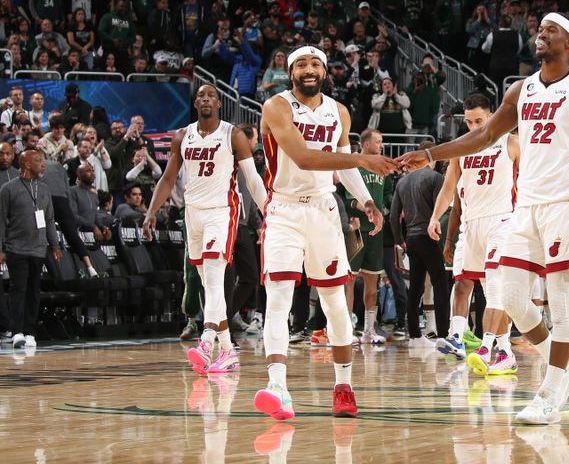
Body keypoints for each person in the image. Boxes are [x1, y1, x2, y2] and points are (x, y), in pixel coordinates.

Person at [398, 12, 569, 425]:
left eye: (550, 30)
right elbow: (483, 137)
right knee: (513, 298)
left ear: (568, 43)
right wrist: (431, 154)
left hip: (566, 205)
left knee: (561, 298)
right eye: (540, 29)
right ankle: (562, 360)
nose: (541, 34)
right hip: (526, 208)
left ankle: (551, 391)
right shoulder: (521, 89)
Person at [255, 46, 396, 421]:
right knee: (279, 298)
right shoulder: (276, 107)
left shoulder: (339, 111)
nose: (309, 69)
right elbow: (304, 158)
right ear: (290, 71)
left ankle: (344, 387)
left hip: (323, 209)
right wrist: (363, 159)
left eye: (315, 63)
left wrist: (366, 201)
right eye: (300, 63)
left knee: (335, 302)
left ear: (324, 70)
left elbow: (342, 162)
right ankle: (278, 387)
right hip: (284, 208)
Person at [143, 84, 267, 376]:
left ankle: (206, 342)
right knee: (206, 285)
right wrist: (150, 212)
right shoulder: (181, 136)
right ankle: (227, 351)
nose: (206, 98)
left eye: (211, 95)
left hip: (221, 212)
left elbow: (252, 179)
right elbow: (168, 177)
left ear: (219, 103)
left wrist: (268, 214)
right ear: (195, 103)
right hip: (193, 214)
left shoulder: (233, 134)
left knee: (213, 279)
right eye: (201, 95)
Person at [427, 92, 519, 374]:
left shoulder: (512, 142)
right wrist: (435, 216)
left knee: (494, 287)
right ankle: (503, 351)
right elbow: (448, 189)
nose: (473, 126)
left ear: (491, 116)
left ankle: (486, 345)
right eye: (468, 122)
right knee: (463, 282)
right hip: (471, 224)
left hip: (502, 221)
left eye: (478, 120)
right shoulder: (461, 148)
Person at [0, 149, 61, 349]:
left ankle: (30, 332)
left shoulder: (44, 189)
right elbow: (1, 221)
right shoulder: (8, 189)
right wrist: (1, 249)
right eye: (38, 161)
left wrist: (54, 245)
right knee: (18, 289)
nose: (43, 164)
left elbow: (50, 219)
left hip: (38, 249)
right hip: (16, 248)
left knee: (34, 291)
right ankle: (16, 331)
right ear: (26, 164)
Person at [390, 141, 448, 347]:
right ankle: (444, 333)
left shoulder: (402, 183)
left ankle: (414, 334)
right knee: (441, 284)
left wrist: (400, 241)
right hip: (430, 236)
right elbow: (439, 212)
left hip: (411, 240)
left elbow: (393, 216)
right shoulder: (436, 178)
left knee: (415, 287)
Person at [343, 128, 392, 345]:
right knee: (349, 280)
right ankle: (346, 329)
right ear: (366, 144)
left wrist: (385, 211)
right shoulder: (354, 165)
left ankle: (368, 330)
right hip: (355, 229)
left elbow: (389, 195)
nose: (381, 145)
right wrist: (366, 209)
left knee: (373, 280)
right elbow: (347, 199)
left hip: (376, 233)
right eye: (378, 142)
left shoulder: (382, 169)